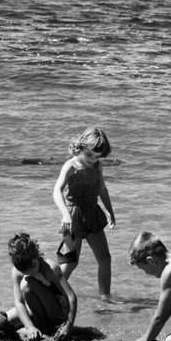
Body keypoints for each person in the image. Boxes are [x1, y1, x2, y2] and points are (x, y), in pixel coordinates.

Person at [52, 126, 116, 301]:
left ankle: (105, 297)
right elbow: (57, 191)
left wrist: (110, 211)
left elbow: (102, 188)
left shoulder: (97, 165)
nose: (93, 160)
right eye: (90, 155)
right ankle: (53, 293)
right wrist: (65, 214)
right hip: (73, 218)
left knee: (105, 259)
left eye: (97, 157)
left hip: (92, 214)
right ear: (80, 148)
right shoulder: (71, 166)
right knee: (70, 262)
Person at [2, 232, 77, 341]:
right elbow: (19, 302)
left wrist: (69, 325)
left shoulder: (51, 268)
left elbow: (71, 297)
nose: (32, 272)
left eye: (33, 267)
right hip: (36, 307)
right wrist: (29, 327)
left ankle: (44, 328)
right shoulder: (17, 272)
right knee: (6, 320)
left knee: (27, 284)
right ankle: (34, 326)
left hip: (58, 312)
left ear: (36, 257)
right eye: (26, 271)